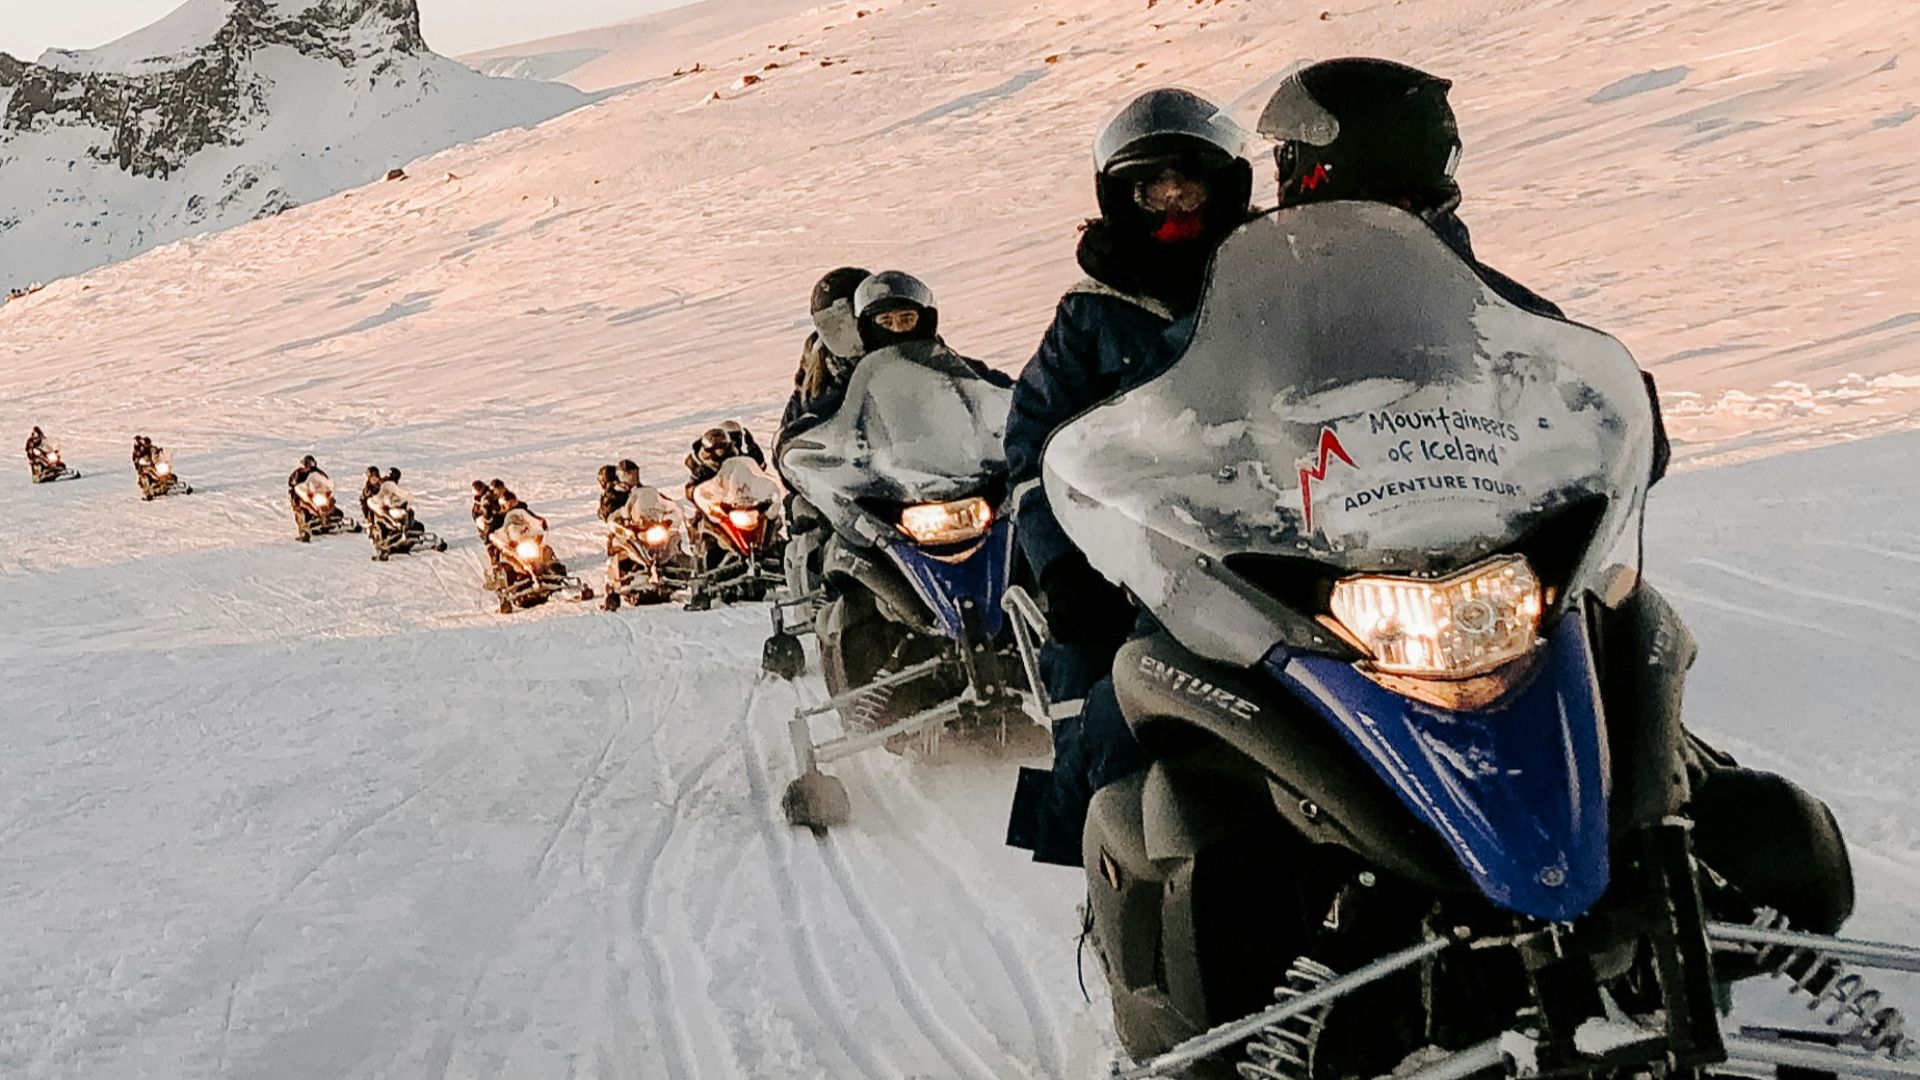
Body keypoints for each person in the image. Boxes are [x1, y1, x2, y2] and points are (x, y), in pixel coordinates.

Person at [1003, 87, 1254, 866]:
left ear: (1222, 189)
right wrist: (1063, 564)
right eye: (1155, 191)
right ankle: (1099, 853)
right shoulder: (1091, 313)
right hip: (1139, 550)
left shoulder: (1267, 283)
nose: (1176, 206)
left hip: (1273, 523)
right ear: (1124, 198)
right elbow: (1033, 442)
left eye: (1191, 187)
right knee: (1104, 690)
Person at [1257, 57, 1671, 480]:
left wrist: (1622, 424)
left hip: (1463, 516)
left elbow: (1620, 435)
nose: (1279, 174)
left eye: (1289, 154)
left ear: (1338, 161)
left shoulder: (1499, 313)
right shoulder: (1264, 302)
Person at [780, 267, 873, 443]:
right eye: (830, 324)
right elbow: (790, 438)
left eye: (849, 320)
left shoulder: (900, 356)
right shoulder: (817, 371)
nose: (841, 331)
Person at [288, 455, 331, 541]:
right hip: (301, 495)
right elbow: (293, 482)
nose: (309, 466)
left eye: (311, 463)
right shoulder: (298, 473)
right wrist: (296, 485)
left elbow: (325, 479)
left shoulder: (317, 472)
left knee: (330, 502)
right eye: (307, 463)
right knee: (301, 510)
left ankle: (333, 519)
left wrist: (328, 485)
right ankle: (303, 530)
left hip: (314, 493)